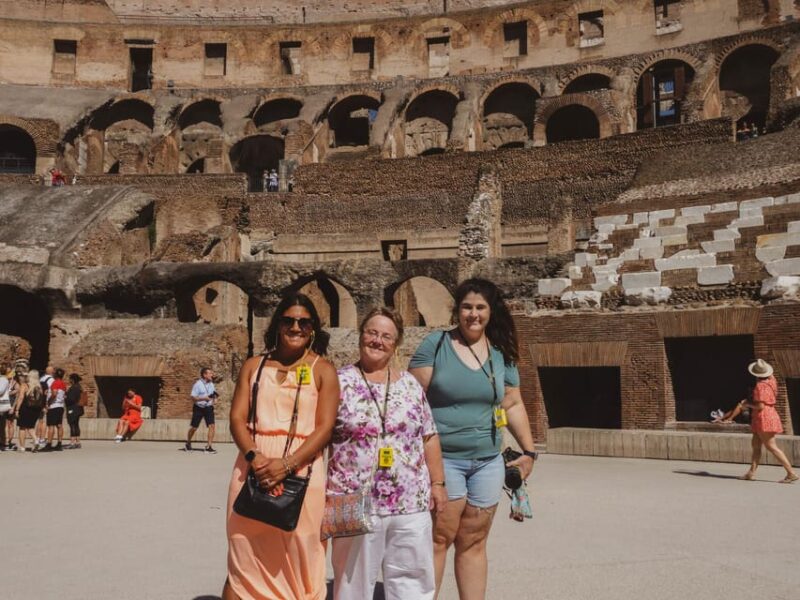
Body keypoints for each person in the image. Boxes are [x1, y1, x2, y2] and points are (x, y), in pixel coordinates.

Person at [408, 278, 538, 600]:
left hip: (488, 462)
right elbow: (410, 402)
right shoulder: (436, 345)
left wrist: (530, 452)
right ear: (457, 309)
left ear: (490, 312)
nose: (473, 314)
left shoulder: (500, 353)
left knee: (474, 541)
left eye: (480, 307)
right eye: (467, 307)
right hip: (444, 460)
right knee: (440, 538)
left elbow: (513, 403)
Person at [224, 292, 340, 600]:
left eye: (304, 322)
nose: (296, 327)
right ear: (277, 324)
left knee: (301, 550)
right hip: (253, 464)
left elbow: (325, 427)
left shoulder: (323, 370)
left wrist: (286, 465)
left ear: (313, 328)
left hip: (303, 467)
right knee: (243, 551)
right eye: (288, 320)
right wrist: (255, 457)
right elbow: (236, 418)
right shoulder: (253, 365)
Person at [328, 307, 447, 600]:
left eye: (386, 336)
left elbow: (429, 436)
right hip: (354, 498)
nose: (377, 341)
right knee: (352, 584)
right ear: (360, 336)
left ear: (396, 344)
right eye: (372, 332)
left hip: (411, 500)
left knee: (413, 582)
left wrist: (438, 484)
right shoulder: (338, 382)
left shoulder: (410, 384)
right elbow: (321, 440)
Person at [735, 359, 798, 483]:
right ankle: (751, 473)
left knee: (771, 446)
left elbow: (760, 406)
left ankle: (791, 473)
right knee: (756, 445)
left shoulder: (760, 386)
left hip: (763, 417)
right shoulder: (772, 381)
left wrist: (747, 404)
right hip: (769, 414)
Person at [186, 367, 218, 453]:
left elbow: (214, 394)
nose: (212, 374)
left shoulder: (211, 384)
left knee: (212, 426)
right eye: (210, 373)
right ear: (204, 375)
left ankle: (209, 446)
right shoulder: (198, 384)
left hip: (208, 407)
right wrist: (204, 398)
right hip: (198, 408)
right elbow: (193, 398)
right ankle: (188, 443)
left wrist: (215, 399)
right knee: (194, 427)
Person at [14, 370, 44, 452]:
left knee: (22, 427)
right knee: (30, 426)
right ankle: (36, 439)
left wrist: (17, 409)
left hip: (25, 408)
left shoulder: (25, 385)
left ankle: (22, 447)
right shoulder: (39, 387)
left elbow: (20, 398)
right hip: (36, 409)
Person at [43, 368, 67, 451]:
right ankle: (59, 444)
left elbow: (54, 394)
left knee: (51, 426)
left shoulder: (55, 382)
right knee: (59, 425)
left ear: (56, 375)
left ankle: (49, 444)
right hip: (60, 406)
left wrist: (48, 402)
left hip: (53, 406)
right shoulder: (63, 384)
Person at [65, 373, 84, 449]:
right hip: (79, 408)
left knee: (72, 424)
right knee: (76, 424)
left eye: (70, 379)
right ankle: (78, 442)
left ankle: (72, 442)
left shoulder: (73, 388)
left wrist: (65, 397)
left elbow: (71, 399)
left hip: (73, 408)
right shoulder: (79, 387)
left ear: (72, 380)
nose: (69, 380)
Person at [0, 365, 10, 451]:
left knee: (2, 426)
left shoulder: (3, 379)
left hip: (1, 405)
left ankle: (2, 443)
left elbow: (1, 391)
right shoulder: (4, 379)